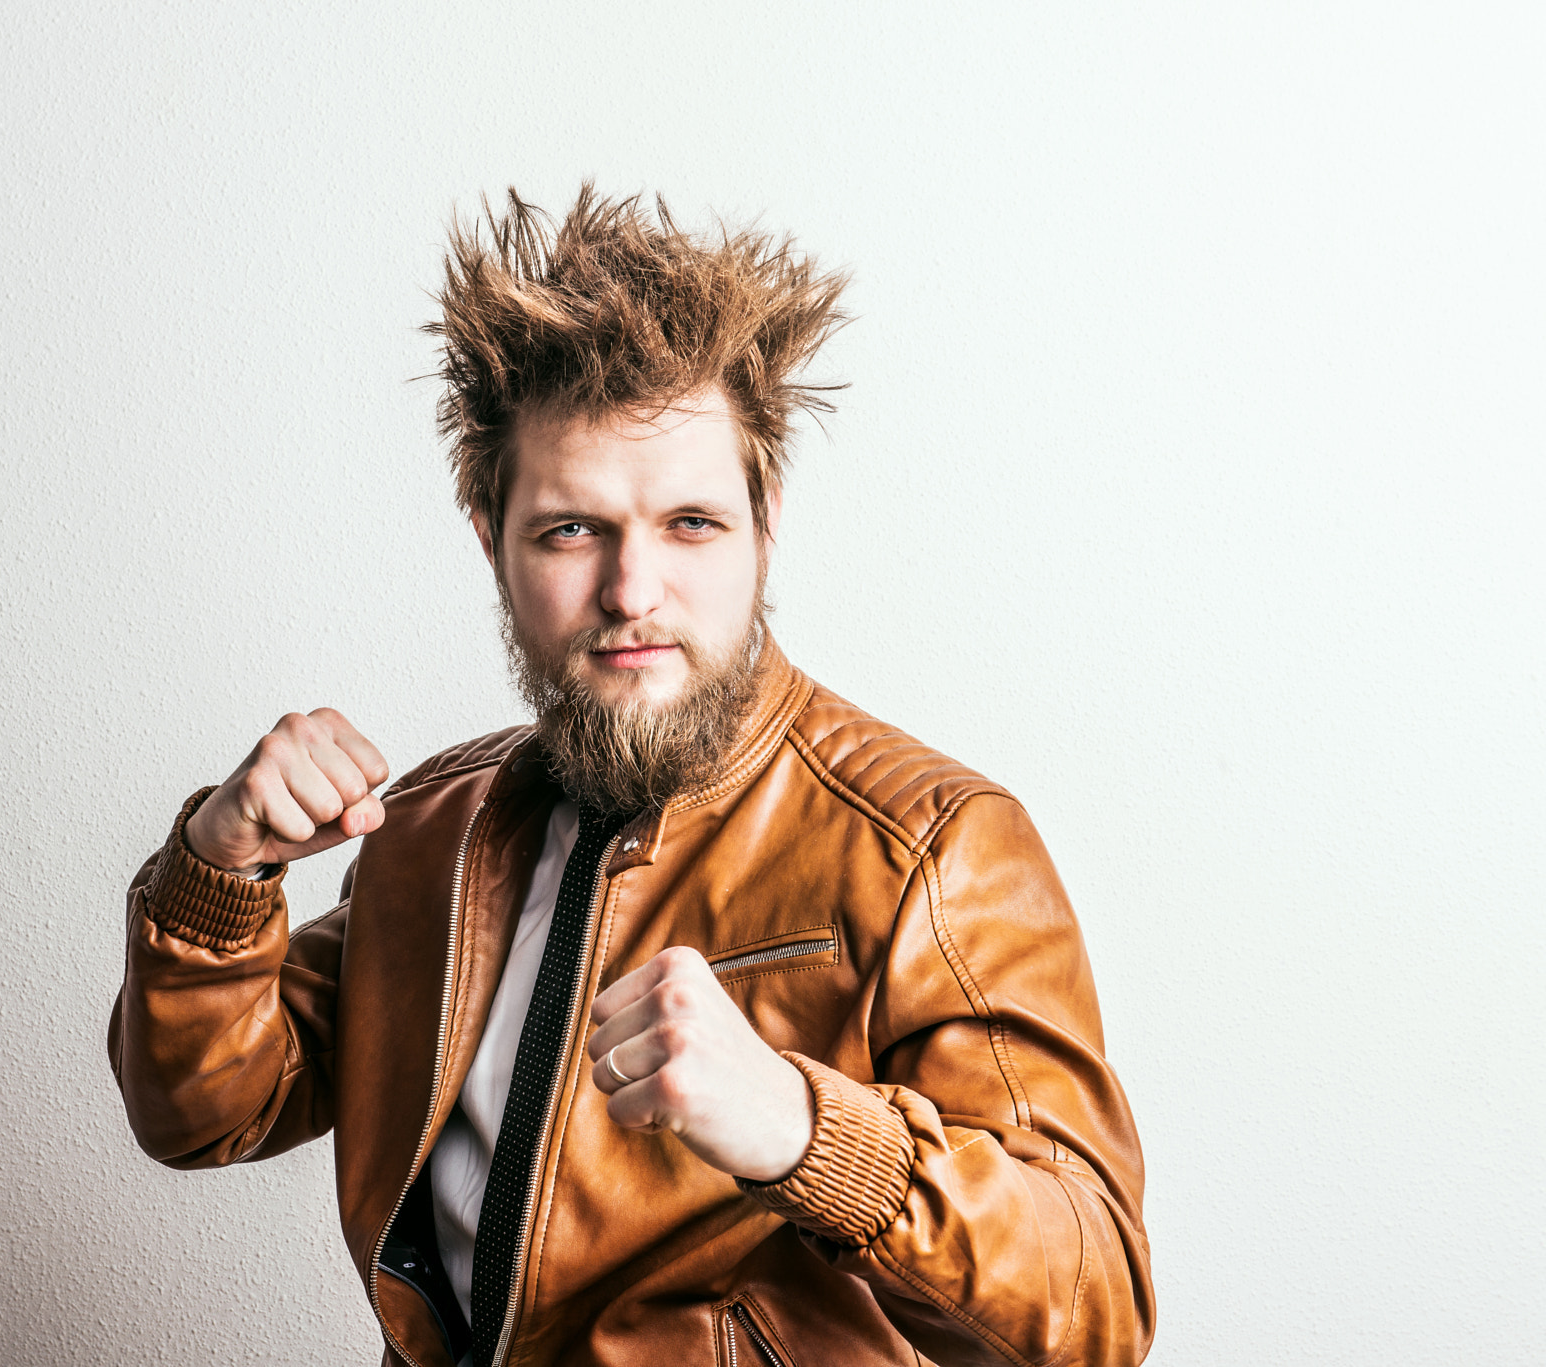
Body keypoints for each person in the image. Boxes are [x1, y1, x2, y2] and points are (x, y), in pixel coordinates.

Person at [108, 188, 1154, 1367]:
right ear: (488, 535)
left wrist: (803, 1131)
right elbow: (203, 1113)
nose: (631, 591)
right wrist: (219, 870)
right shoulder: (431, 830)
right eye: (570, 529)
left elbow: (1091, 1306)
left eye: (690, 523)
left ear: (764, 523)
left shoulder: (925, 844)